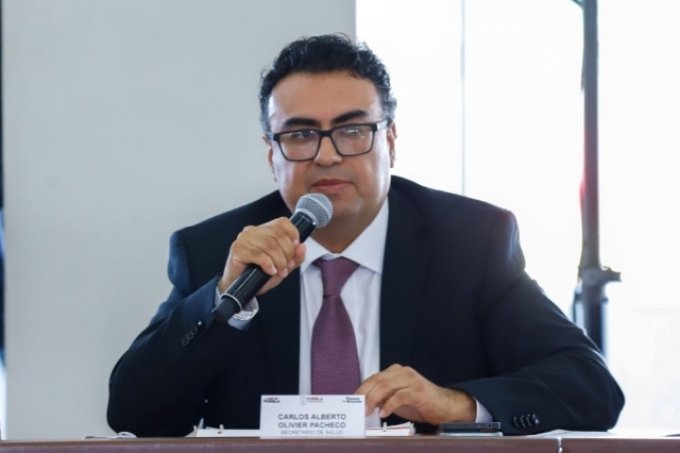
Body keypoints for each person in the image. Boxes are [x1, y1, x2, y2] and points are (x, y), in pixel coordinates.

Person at [107, 34, 624, 437]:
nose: (327, 155)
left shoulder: (469, 242)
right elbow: (134, 412)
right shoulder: (217, 250)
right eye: (300, 135)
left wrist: (454, 404)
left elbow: (590, 387)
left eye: (352, 130)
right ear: (272, 154)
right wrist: (226, 297)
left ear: (390, 141)